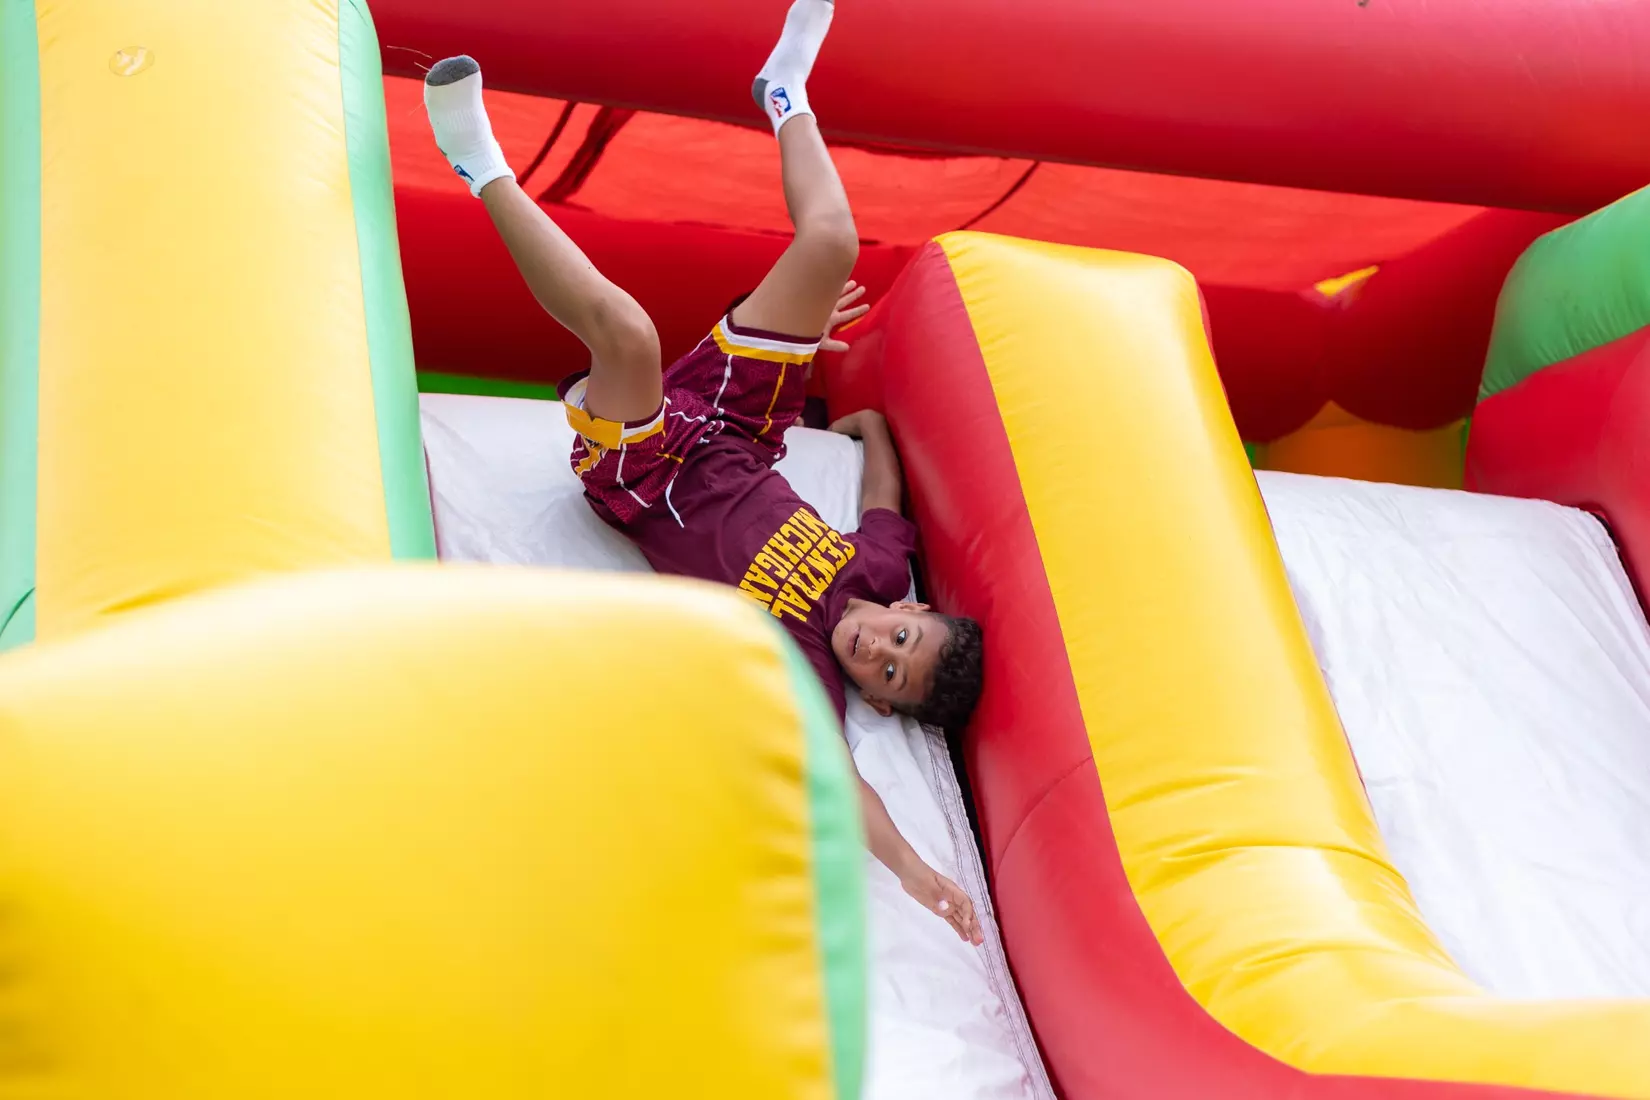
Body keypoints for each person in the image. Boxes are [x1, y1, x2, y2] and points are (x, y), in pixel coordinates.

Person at [422, 0, 986, 944]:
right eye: (902, 642)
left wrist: (920, 872)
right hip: (736, 427)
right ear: (912, 611)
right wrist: (861, 422)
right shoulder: (878, 568)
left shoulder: (806, 667)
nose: (878, 654)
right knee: (832, 248)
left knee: (628, 332)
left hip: (648, 474)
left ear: (879, 700)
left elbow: (849, 791)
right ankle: (785, 95)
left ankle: (479, 166)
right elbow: (883, 496)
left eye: (889, 676)